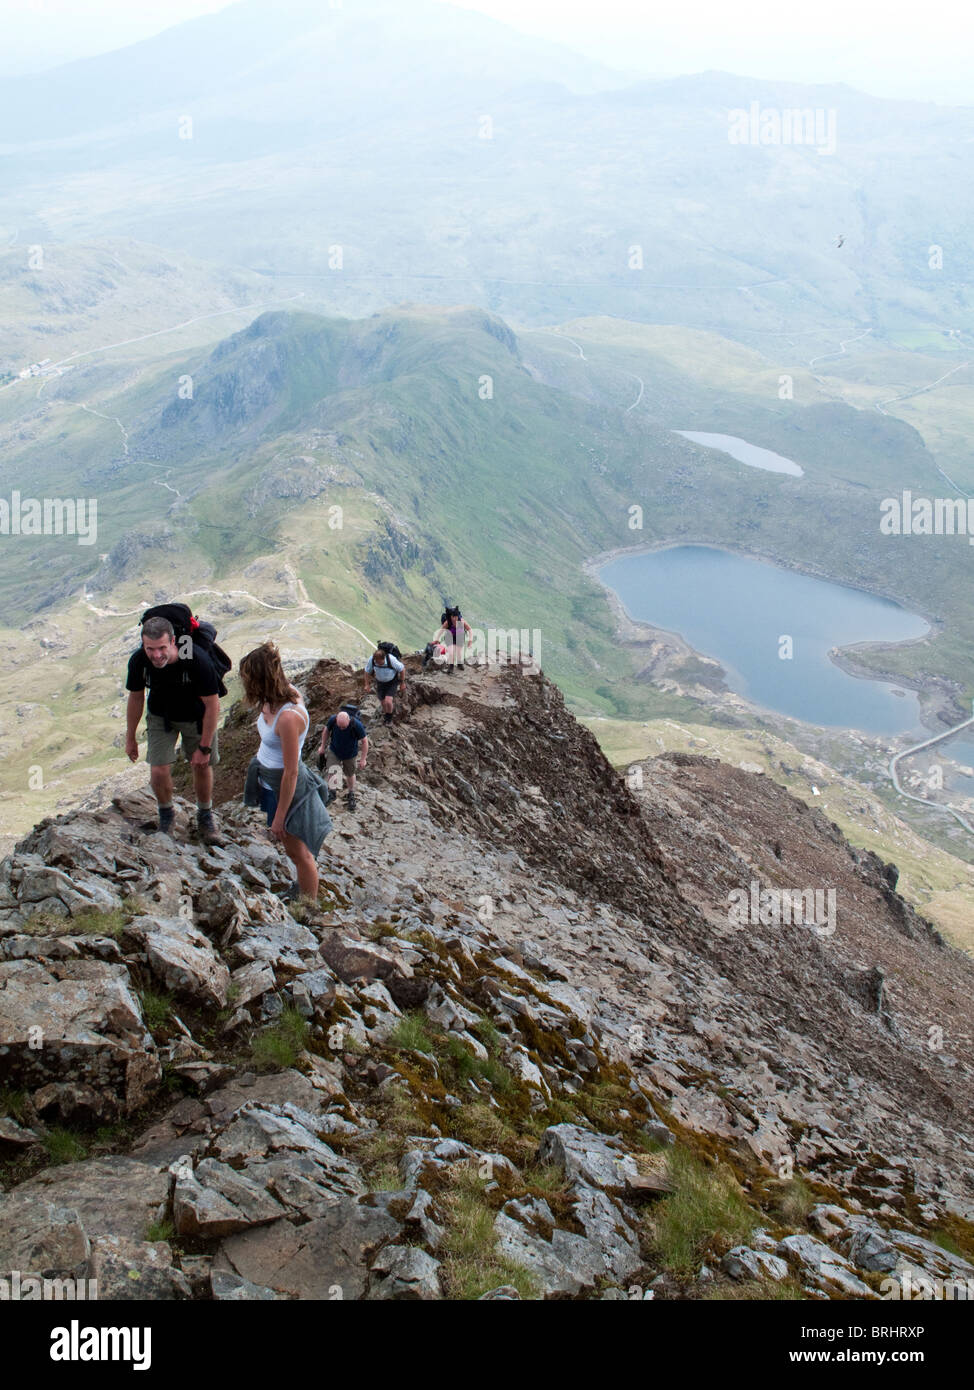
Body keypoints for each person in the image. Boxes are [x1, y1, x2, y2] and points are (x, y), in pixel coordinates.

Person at [239, 642, 331, 902]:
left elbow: (291, 772)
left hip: (284, 787)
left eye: (250, 679)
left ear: (261, 680)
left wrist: (279, 818)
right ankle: (300, 888)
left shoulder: (288, 717)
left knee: (299, 852)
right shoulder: (273, 699)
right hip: (270, 781)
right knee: (293, 850)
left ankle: (308, 906)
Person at [125, 615, 223, 844]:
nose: (156, 655)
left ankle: (205, 816)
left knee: (202, 766)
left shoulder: (196, 660)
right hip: (161, 716)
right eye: (150, 649)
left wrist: (205, 747)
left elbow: (212, 704)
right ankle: (166, 816)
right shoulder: (139, 661)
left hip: (197, 718)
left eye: (161, 648)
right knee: (158, 770)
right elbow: (136, 698)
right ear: (143, 644)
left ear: (173, 642)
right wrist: (130, 738)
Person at [318, 708, 369, 812]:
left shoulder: (356, 725)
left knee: (350, 774)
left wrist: (363, 759)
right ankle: (332, 792)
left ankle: (351, 793)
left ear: (348, 720)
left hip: (350, 754)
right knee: (333, 770)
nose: (341, 728)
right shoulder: (333, 720)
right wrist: (322, 746)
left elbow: (364, 741)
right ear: (336, 719)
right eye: (339, 726)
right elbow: (326, 731)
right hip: (335, 750)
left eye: (344, 727)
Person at [364, 647, 405, 724]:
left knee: (388, 701)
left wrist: (402, 683)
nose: (378, 663)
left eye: (380, 662)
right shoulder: (372, 660)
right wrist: (367, 684)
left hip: (392, 682)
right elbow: (367, 672)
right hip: (380, 682)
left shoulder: (391, 660)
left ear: (384, 658)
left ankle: (389, 719)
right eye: (376, 662)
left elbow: (402, 669)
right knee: (383, 702)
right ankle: (386, 715)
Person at [434, 603, 473, 673]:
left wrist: (470, 640)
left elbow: (470, 629)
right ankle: (451, 666)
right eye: (453, 616)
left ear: (458, 616)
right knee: (451, 652)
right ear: (450, 616)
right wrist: (437, 639)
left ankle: (459, 663)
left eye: (456, 616)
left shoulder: (461, 621)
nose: (455, 618)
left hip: (459, 635)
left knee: (459, 652)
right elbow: (441, 630)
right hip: (449, 636)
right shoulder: (447, 622)